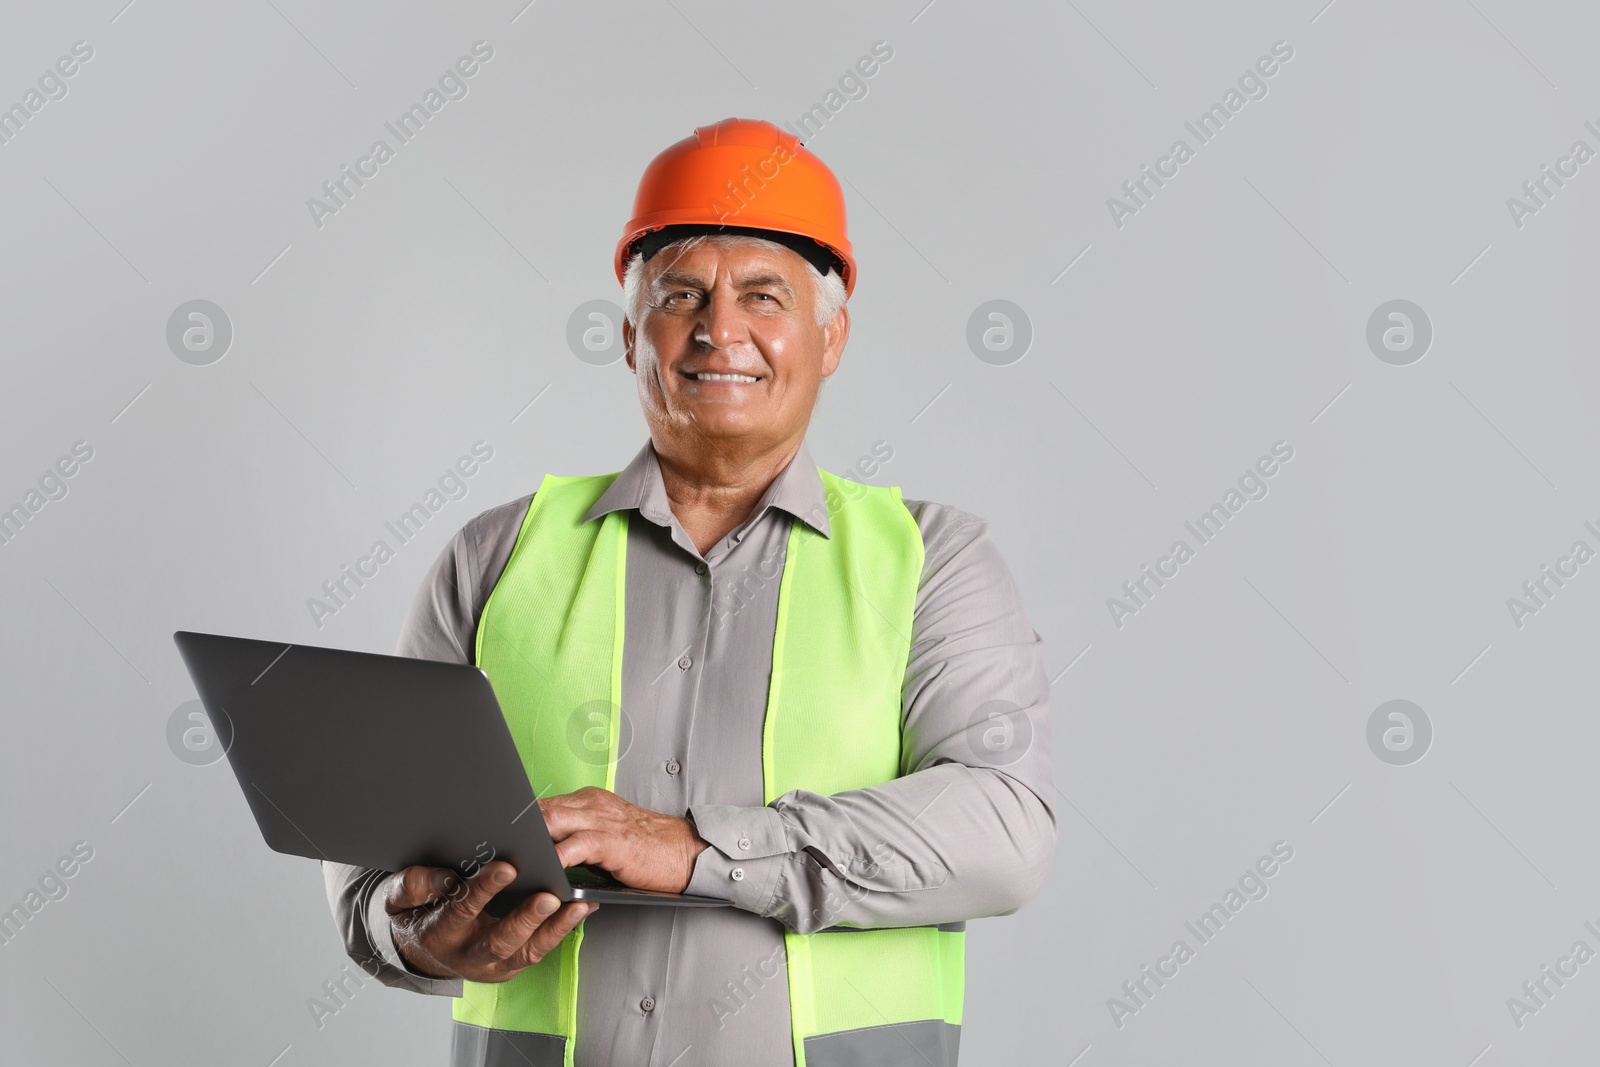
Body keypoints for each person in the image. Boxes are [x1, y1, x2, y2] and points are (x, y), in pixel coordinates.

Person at [323, 117, 1056, 1067]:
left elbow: (1005, 826)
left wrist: (700, 849)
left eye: (764, 295)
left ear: (829, 338)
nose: (720, 329)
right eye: (681, 296)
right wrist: (412, 934)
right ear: (633, 337)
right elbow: (372, 871)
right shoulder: (493, 556)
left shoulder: (933, 559)